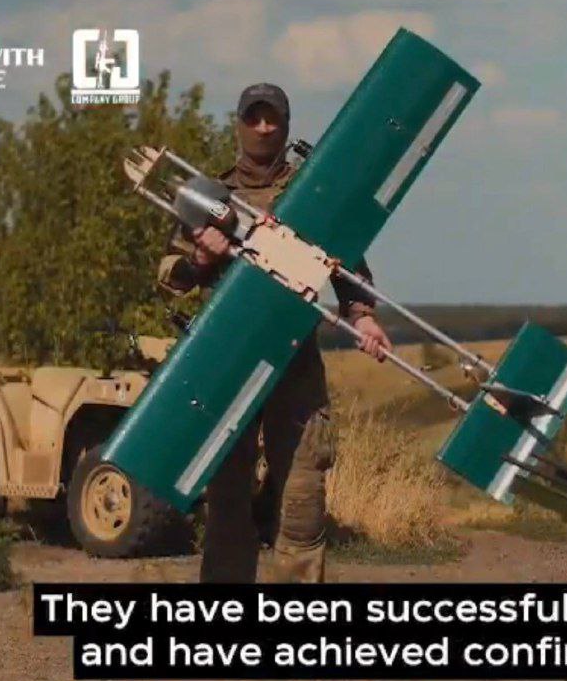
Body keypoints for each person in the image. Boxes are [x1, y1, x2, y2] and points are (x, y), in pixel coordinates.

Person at [156, 83, 393, 583]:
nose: (263, 128)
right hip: (230, 362)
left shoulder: (313, 194)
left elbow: (348, 268)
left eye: (272, 119)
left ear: (285, 125)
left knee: (302, 508)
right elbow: (169, 278)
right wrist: (201, 258)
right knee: (227, 509)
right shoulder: (209, 197)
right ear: (239, 124)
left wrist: (363, 317)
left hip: (295, 364)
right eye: (254, 118)